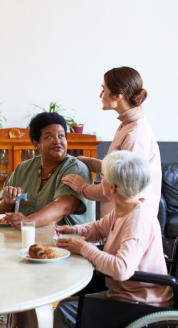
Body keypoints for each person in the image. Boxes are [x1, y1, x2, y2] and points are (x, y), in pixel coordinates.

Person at [2, 151, 173, 328]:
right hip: (128, 293)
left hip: (138, 303)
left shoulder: (137, 220)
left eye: (100, 178)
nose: (97, 182)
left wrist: (84, 248)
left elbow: (122, 269)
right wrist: (72, 229)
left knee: (66, 310)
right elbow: (97, 229)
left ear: (111, 187)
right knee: (70, 301)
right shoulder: (127, 207)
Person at [0, 112, 95, 328]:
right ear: (36, 143)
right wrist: (8, 203)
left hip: (70, 251)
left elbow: (65, 206)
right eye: (49, 136)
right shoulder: (24, 169)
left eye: (62, 135)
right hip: (31, 248)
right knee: (7, 272)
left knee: (27, 283)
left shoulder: (75, 167)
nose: (58, 141)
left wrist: (29, 220)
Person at [63, 66, 162, 218]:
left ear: (118, 96)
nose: (100, 95)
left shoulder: (135, 135)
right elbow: (116, 171)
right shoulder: (127, 125)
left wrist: (82, 187)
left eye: (103, 89)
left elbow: (120, 186)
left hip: (131, 221)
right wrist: (86, 161)